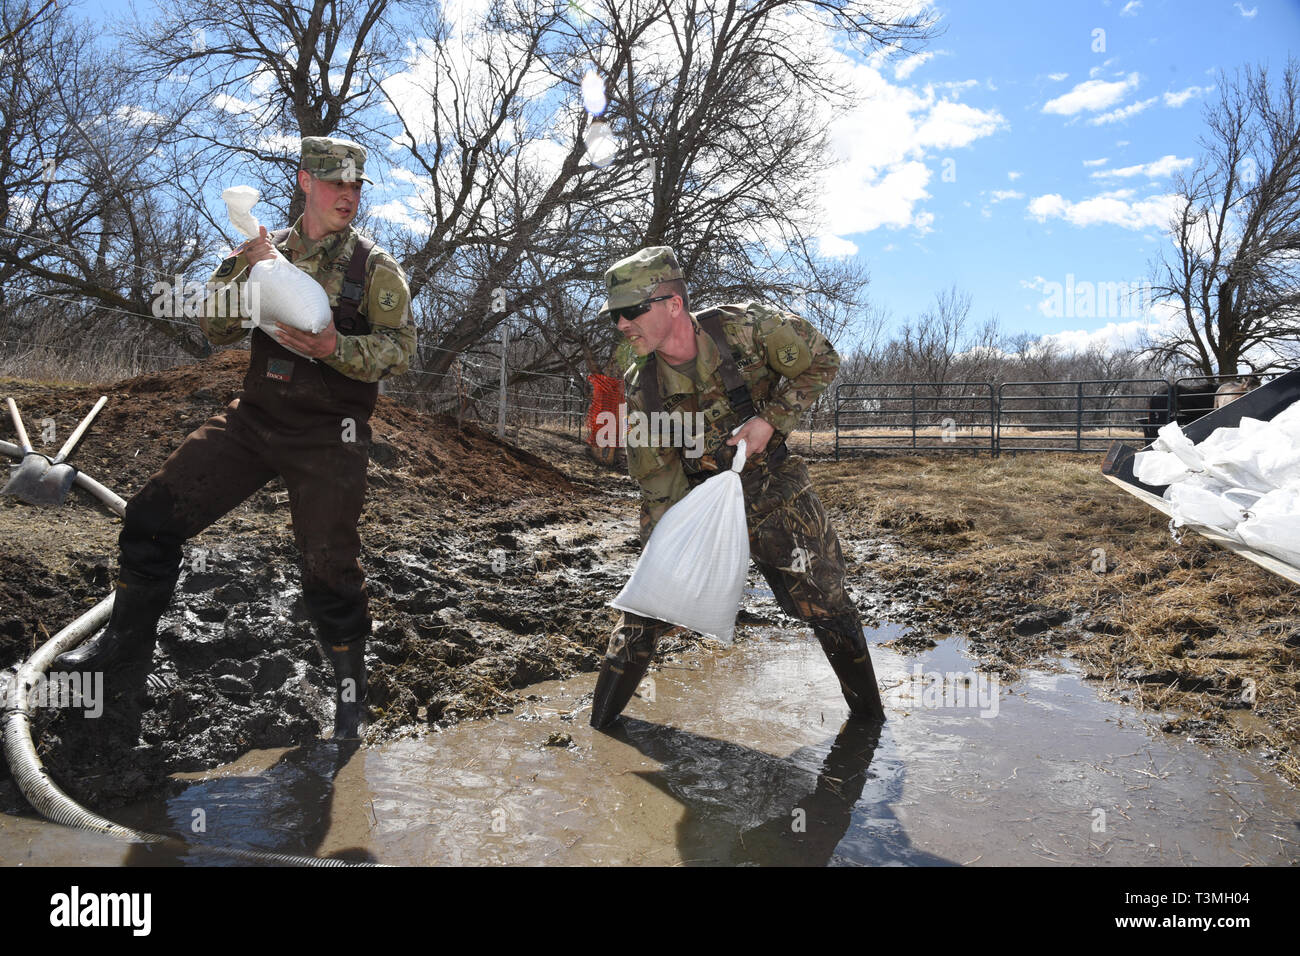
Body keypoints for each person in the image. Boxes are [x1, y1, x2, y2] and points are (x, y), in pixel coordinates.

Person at [56, 136, 417, 739]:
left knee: (329, 564)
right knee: (151, 514)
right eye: (335, 184)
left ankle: (350, 693)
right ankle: (122, 650)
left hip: (330, 434)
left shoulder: (376, 270)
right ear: (305, 181)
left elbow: (401, 351)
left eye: (356, 186)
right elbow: (215, 327)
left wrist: (337, 347)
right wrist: (253, 267)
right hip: (254, 419)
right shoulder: (263, 248)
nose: (347, 196)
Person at [589, 246, 886, 728]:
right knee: (644, 612)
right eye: (615, 317)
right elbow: (657, 480)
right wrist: (670, 555)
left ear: (672, 304)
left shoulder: (750, 329)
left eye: (630, 312)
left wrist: (771, 420)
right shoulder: (641, 386)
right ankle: (601, 729)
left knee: (827, 601)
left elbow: (824, 360)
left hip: (774, 489)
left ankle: (870, 724)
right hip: (696, 500)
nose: (622, 325)